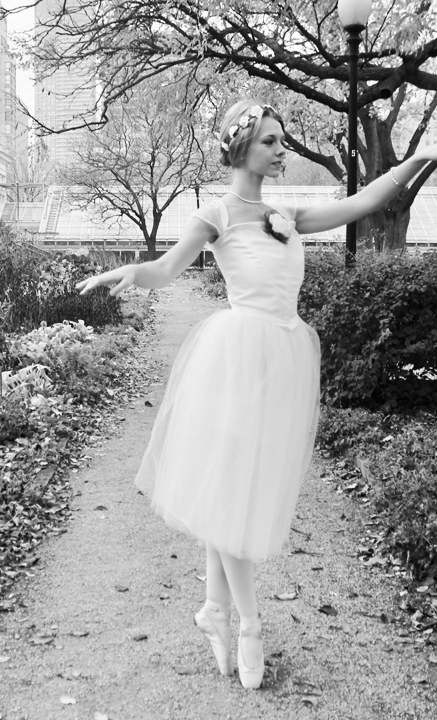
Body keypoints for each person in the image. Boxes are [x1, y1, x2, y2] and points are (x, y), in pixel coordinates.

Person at [76, 99, 437, 689]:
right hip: (235, 358)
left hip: (284, 358)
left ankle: (214, 610)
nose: (281, 149)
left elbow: (365, 202)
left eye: (282, 139)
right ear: (241, 147)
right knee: (235, 491)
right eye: (271, 140)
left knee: (236, 490)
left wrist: (420, 159)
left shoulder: (286, 211)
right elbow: (166, 269)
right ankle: (247, 623)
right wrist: (128, 273)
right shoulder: (215, 213)